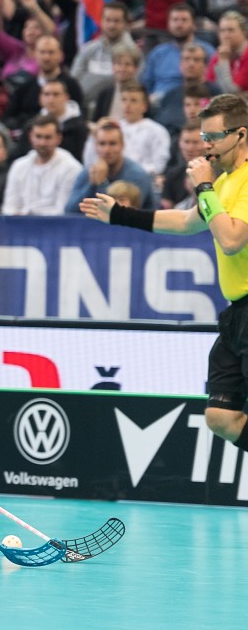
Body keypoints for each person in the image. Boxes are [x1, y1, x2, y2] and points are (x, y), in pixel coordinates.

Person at [80, 94, 248, 456]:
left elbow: (232, 239)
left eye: (214, 137)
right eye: (204, 137)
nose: (207, 146)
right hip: (237, 315)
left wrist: (203, 186)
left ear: (240, 134)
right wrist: (122, 215)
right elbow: (188, 223)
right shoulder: (225, 183)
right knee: (221, 416)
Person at [65, 119, 159, 213]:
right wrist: (92, 185)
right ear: (95, 146)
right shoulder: (89, 172)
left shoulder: (137, 176)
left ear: (122, 145)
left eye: (112, 144)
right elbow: (70, 211)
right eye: (102, 144)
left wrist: (101, 183)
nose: (107, 150)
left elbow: (121, 215)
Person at [2, 114, 80, 216]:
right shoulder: (18, 166)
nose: (42, 143)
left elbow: (63, 211)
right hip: (20, 228)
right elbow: (9, 207)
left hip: (56, 228)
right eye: (38, 136)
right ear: (31, 137)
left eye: (48, 137)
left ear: (58, 138)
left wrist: (28, 215)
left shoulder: (71, 168)